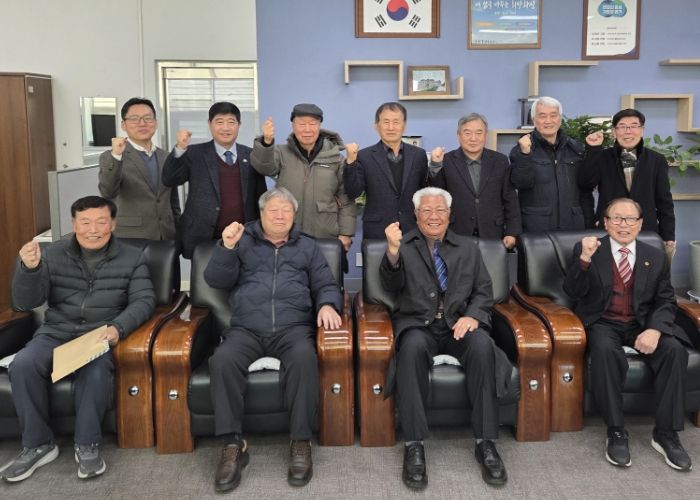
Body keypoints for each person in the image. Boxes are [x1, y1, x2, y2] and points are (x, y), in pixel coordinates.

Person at [0, 196, 155, 482]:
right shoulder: (52, 254)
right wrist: (29, 270)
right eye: (85, 222)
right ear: (74, 224)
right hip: (55, 332)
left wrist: (117, 328)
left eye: (101, 222)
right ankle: (38, 445)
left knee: (96, 371)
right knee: (23, 365)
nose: (93, 230)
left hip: (98, 334)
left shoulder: (133, 257)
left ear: (113, 224)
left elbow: (144, 301)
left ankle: (87, 444)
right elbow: (25, 302)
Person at [205, 187, 343, 492]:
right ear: (261, 214)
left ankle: (301, 441)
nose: (280, 216)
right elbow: (215, 280)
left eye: (286, 210)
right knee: (222, 360)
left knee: (305, 358)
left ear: (294, 215)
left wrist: (327, 305)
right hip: (247, 328)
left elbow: (326, 283)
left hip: (293, 327)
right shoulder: (242, 240)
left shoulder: (307, 246)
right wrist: (227, 247)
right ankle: (232, 444)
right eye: (273, 210)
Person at [380, 187, 510, 489]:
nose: (434, 216)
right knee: (411, 348)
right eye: (426, 210)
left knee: (482, 346)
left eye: (440, 210)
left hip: (457, 324)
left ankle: (486, 442)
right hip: (418, 324)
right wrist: (393, 251)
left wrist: (473, 316)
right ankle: (414, 445)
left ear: (450, 214)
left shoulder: (467, 247)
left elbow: (483, 291)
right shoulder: (403, 244)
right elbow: (390, 284)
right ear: (416, 215)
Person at [563, 198, 692, 471]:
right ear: (605, 223)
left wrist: (655, 329)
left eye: (630, 219)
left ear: (640, 224)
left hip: (642, 323)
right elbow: (573, 292)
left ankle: (666, 433)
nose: (624, 225)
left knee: (674, 351)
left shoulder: (655, 255)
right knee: (604, 351)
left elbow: (665, 300)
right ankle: (616, 430)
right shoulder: (588, 249)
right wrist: (584, 259)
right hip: (603, 322)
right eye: (617, 218)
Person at [162, 101, 267, 259]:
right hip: (203, 237)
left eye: (231, 122)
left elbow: (261, 196)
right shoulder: (194, 153)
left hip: (244, 237)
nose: (225, 128)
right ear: (209, 124)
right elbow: (169, 179)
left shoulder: (251, 155)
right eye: (219, 122)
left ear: (239, 125)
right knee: (203, 275)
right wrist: (180, 149)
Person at [250, 103, 356, 255]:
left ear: (319, 126)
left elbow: (345, 197)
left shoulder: (335, 158)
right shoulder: (281, 153)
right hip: (287, 235)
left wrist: (345, 233)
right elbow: (263, 167)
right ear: (293, 126)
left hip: (325, 234)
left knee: (325, 270)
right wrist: (267, 142)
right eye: (301, 124)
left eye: (312, 124)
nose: (307, 129)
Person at [581, 108, 675, 258]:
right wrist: (593, 150)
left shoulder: (656, 160)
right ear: (614, 131)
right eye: (622, 126)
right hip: (610, 228)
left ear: (642, 130)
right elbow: (586, 183)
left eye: (633, 126)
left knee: (646, 270)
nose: (628, 131)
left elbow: (664, 200)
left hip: (646, 229)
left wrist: (668, 235)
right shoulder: (602, 157)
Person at [429, 113, 521, 248]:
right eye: (467, 133)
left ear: (485, 135)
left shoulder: (500, 161)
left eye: (479, 133)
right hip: (456, 233)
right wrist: (435, 165)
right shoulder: (446, 161)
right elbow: (436, 195)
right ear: (458, 135)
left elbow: (510, 199)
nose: (473, 138)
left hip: (493, 233)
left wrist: (512, 233)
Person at [98, 97, 180, 240]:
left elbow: (173, 201)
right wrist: (116, 155)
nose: (142, 123)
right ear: (123, 125)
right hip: (131, 237)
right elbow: (108, 192)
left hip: (167, 235)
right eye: (134, 119)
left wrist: (179, 230)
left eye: (148, 118)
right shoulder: (112, 156)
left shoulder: (167, 156)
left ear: (155, 123)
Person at [343, 102, 428, 239]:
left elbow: (425, 192)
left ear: (404, 126)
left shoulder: (419, 155)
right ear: (376, 126)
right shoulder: (364, 156)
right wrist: (351, 162)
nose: (391, 127)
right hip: (377, 230)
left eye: (396, 122)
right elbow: (353, 192)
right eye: (386, 122)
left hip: (412, 228)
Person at [509, 96, 594, 232]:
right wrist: (525, 155)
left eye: (553, 115)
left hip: (573, 227)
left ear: (560, 118)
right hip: (536, 229)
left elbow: (586, 190)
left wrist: (589, 226)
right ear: (534, 120)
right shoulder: (522, 148)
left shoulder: (576, 148)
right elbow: (521, 183)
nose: (548, 121)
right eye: (542, 116)